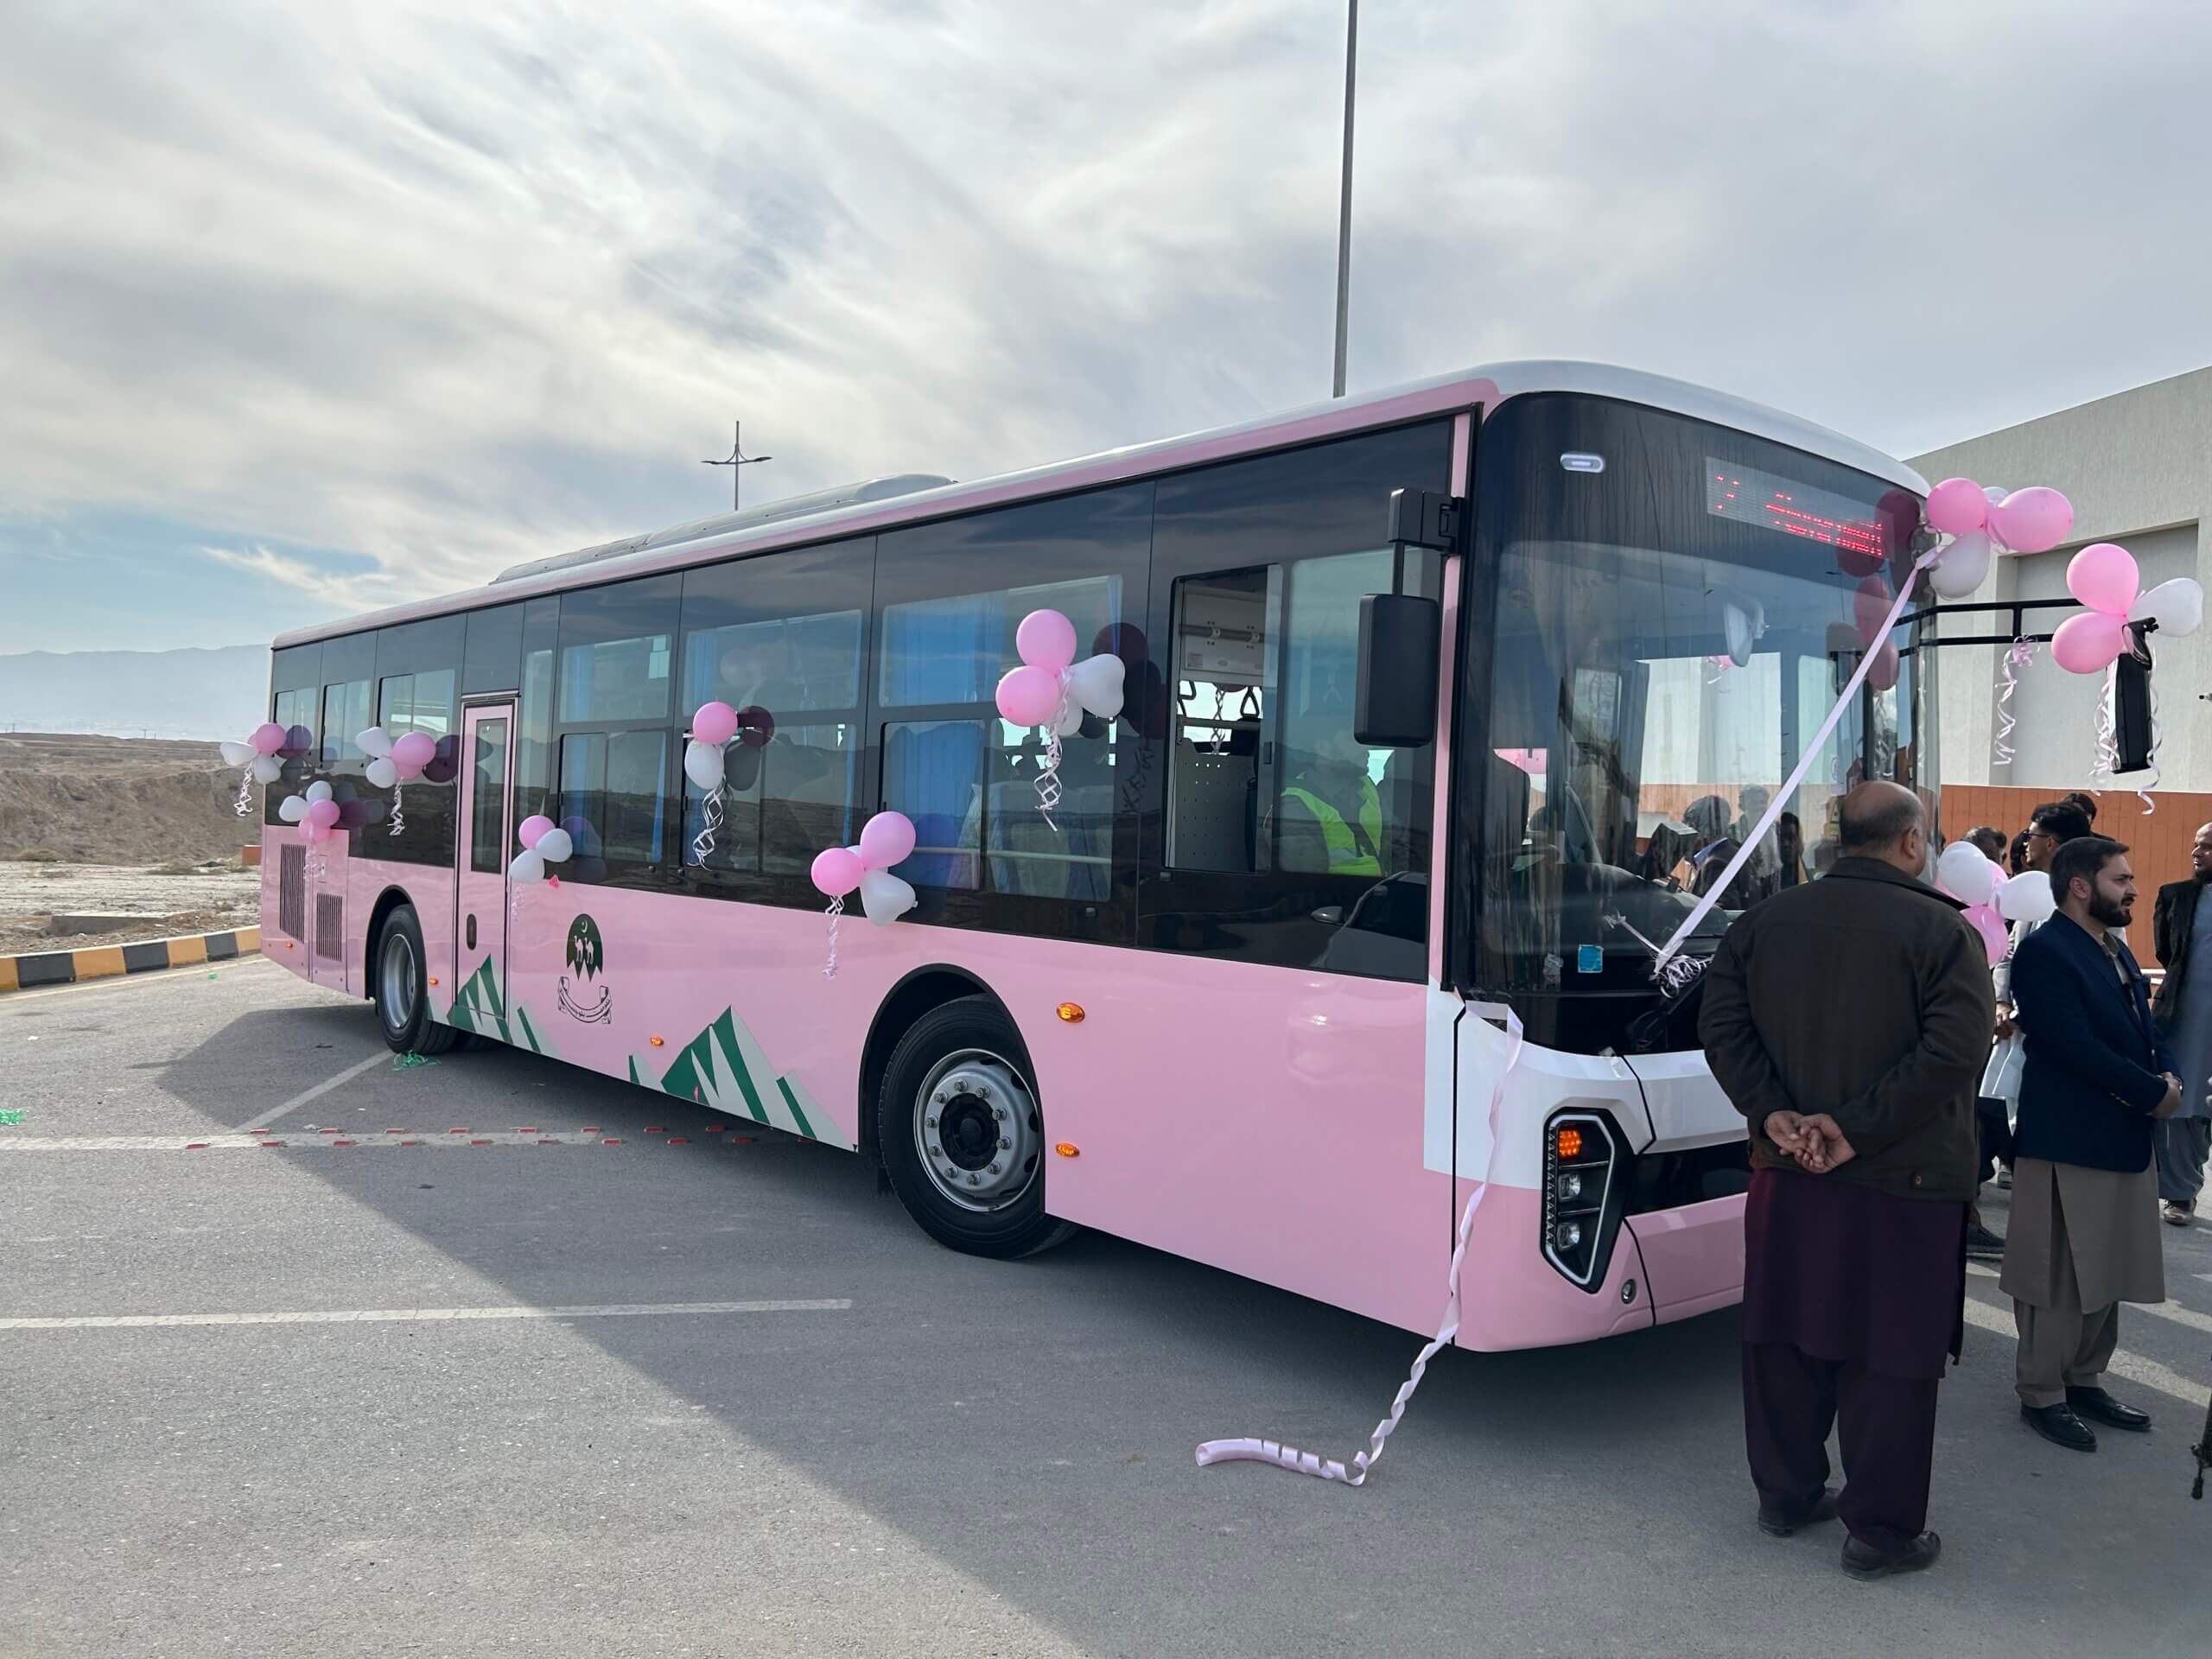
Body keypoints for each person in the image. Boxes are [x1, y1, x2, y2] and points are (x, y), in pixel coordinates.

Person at [1700, 782, 1991, 1581]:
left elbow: (1720, 1027)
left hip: (1786, 1168)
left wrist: (1777, 1117)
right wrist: (1852, 1129)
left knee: (1783, 1333)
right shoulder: (1942, 931)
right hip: (1905, 1179)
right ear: (1909, 841)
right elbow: (1954, 1054)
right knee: (1892, 1352)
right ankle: (1881, 1531)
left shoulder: (1762, 923)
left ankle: (1786, 1495)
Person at [2004, 836, 2178, 1452]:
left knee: (2107, 1270)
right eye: (2120, 879)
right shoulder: (2046, 952)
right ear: (2080, 886)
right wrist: (2151, 1092)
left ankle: (2083, 1381)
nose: (2133, 889)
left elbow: (2144, 1029)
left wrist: (2168, 1078)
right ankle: (2042, 1394)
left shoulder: (2110, 948)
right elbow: (2071, 1045)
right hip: (2069, 1140)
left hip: (2122, 1135)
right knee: (2058, 1278)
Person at [2149, 821, 2212, 1226]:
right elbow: (2164, 950)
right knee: (2184, 1105)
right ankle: (2181, 1192)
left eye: (2207, 847)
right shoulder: (2176, 896)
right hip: (2190, 1016)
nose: (2196, 852)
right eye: (2195, 845)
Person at [1278, 730, 1383, 878]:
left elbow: (1396, 845)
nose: (1366, 748)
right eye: (1352, 739)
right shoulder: (1295, 805)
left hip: (1380, 892)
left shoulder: (1366, 785)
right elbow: (1307, 886)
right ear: (1322, 748)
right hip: (1340, 897)